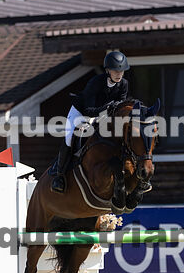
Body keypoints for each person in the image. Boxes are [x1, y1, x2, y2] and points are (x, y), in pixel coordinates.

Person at [51, 50, 130, 193]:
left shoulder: (123, 84)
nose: (119, 74)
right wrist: (107, 108)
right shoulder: (96, 82)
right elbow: (88, 110)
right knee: (69, 138)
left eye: (121, 71)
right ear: (108, 70)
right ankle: (59, 175)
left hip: (103, 114)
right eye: (115, 71)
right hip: (81, 112)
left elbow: (120, 107)